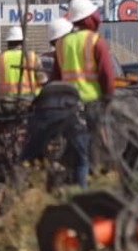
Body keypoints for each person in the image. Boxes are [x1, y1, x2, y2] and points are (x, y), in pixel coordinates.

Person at [18, 18, 88, 186]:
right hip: (76, 103)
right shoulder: (84, 45)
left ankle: (17, 186)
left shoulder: (60, 51)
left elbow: (53, 78)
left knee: (31, 153)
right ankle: (82, 190)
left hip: (50, 103)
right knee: (81, 155)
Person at [57, 0, 116, 175]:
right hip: (92, 103)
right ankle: (89, 181)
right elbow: (106, 74)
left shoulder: (61, 43)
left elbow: (55, 78)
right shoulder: (96, 41)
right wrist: (108, 98)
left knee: (74, 146)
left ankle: (71, 178)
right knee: (92, 147)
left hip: (68, 105)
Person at [0, 25, 41, 100]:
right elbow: (43, 80)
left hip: (4, 101)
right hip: (28, 100)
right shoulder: (32, 56)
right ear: (22, 42)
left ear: (8, 42)